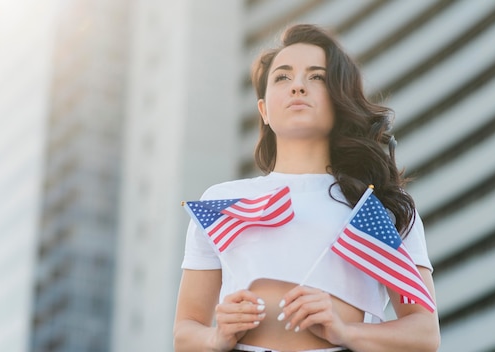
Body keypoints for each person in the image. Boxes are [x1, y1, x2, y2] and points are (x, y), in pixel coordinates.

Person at [173, 24, 440, 352]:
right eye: (282, 77)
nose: (297, 86)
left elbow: (425, 334)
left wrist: (345, 331)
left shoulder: (379, 206)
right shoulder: (220, 202)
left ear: (339, 99)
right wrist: (216, 337)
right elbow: (185, 332)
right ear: (264, 111)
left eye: (316, 77)